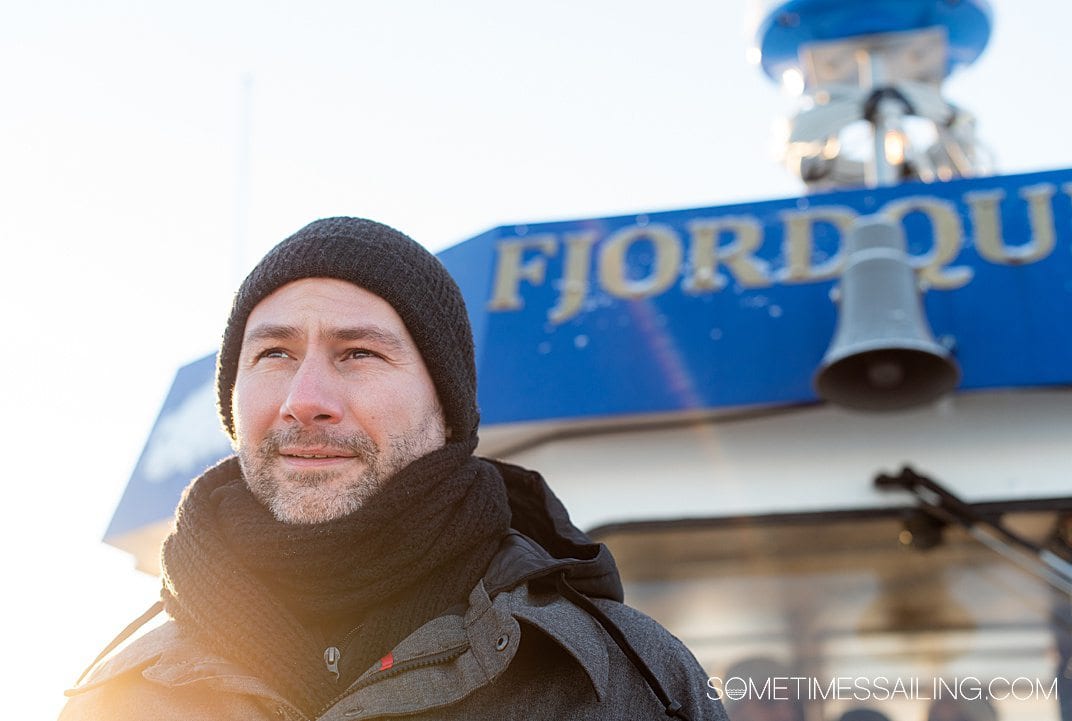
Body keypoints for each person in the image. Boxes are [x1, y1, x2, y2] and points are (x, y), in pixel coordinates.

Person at [60, 217, 728, 720]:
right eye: (274, 354)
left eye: (357, 353)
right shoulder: (113, 693)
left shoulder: (622, 677)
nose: (306, 401)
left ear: (446, 406)